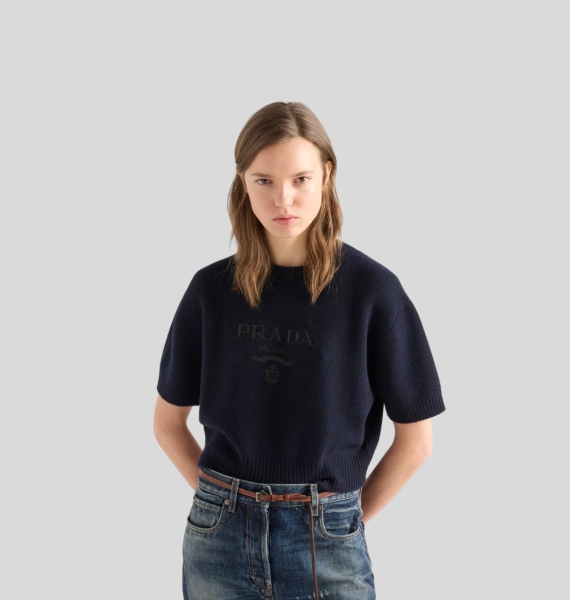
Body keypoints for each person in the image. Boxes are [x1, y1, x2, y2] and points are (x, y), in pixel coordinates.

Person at [153, 101, 446, 599]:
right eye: (264, 180)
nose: (282, 198)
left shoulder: (372, 292)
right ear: (243, 182)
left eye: (301, 179)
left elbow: (416, 441)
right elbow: (167, 423)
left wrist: (341, 520)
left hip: (327, 541)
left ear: (327, 175)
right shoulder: (210, 292)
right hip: (217, 545)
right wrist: (221, 502)